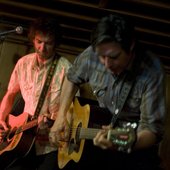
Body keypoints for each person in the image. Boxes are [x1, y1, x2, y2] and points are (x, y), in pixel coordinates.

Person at [50, 14, 166, 170]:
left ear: (130, 47)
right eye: (101, 57)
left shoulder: (152, 70)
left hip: (134, 145)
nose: (106, 64)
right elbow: (71, 79)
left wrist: (124, 140)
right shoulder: (90, 55)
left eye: (114, 57)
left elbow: (152, 131)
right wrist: (61, 116)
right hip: (98, 136)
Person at [0, 17, 72, 170]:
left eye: (48, 43)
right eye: (39, 41)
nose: (42, 48)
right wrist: (1, 118)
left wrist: (56, 122)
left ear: (56, 44)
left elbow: (73, 108)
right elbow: (10, 94)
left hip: (50, 144)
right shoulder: (23, 63)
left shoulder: (67, 69)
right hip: (20, 138)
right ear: (33, 39)